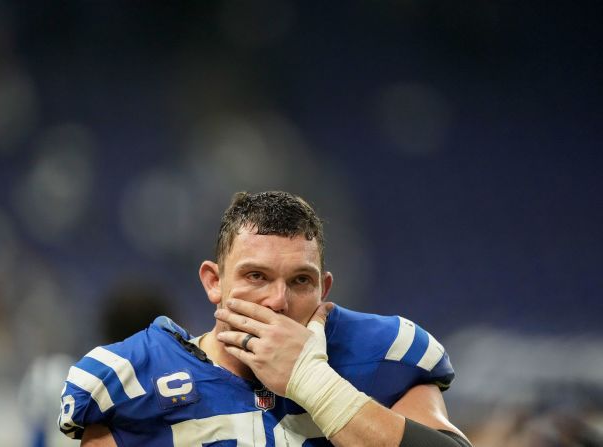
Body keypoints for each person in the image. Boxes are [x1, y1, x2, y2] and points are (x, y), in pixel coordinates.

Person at [59, 191, 472, 447]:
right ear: (213, 282)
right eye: (256, 276)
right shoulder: (134, 378)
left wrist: (313, 383)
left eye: (300, 281)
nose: (277, 301)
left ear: (324, 289)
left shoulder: (383, 355)